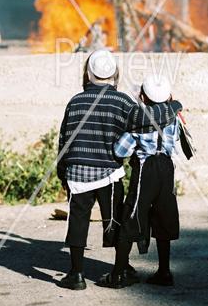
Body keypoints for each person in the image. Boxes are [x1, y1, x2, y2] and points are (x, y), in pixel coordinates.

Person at [57, 50, 182, 290]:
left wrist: (63, 173)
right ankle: (121, 267)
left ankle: (76, 274)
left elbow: (64, 140)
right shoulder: (124, 102)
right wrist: (173, 104)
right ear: (115, 73)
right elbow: (150, 118)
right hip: (110, 174)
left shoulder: (74, 101)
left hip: (77, 175)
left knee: (78, 220)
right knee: (114, 219)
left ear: (88, 73)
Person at [97, 74, 186, 289]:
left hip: (145, 169)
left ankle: (118, 274)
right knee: (164, 217)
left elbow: (121, 150)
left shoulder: (138, 120)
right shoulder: (174, 117)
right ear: (168, 97)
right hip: (166, 168)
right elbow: (177, 143)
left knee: (131, 216)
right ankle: (164, 272)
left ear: (143, 97)